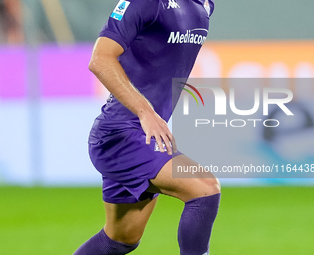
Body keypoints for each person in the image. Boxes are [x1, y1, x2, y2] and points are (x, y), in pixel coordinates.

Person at [74, 0, 221, 254]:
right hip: (119, 134)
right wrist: (145, 111)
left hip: (146, 135)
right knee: (204, 189)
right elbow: (100, 59)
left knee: (120, 239)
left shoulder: (204, 5)